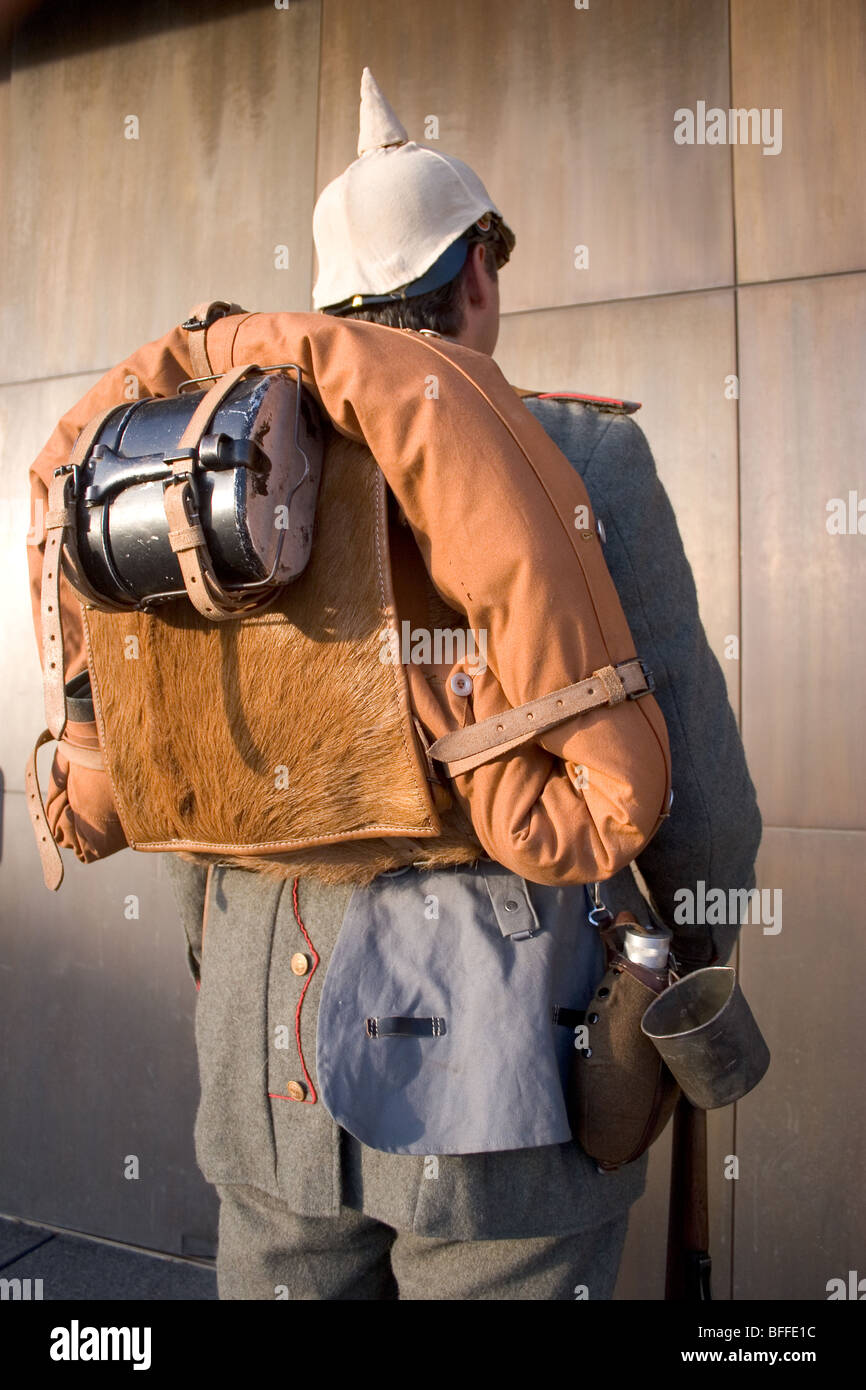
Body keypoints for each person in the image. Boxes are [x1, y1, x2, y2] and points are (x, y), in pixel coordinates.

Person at [27, 69, 762, 1301]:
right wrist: (672, 995)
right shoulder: (581, 452)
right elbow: (705, 804)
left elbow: (183, 777)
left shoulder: (202, 476)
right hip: (509, 1081)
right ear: (475, 276)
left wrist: (234, 981)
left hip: (266, 1068)